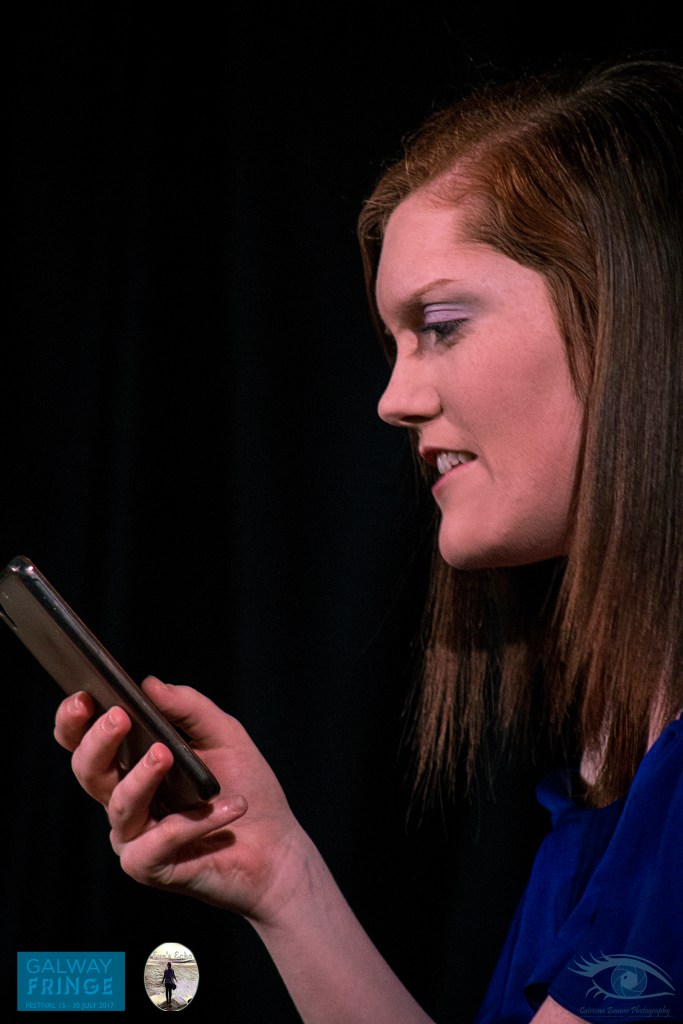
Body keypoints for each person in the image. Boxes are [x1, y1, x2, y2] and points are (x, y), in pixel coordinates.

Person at [53, 55, 683, 1023]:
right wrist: (278, 876)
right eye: (391, 344)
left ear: (623, 314)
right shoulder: (618, 780)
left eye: (438, 325)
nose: (393, 400)